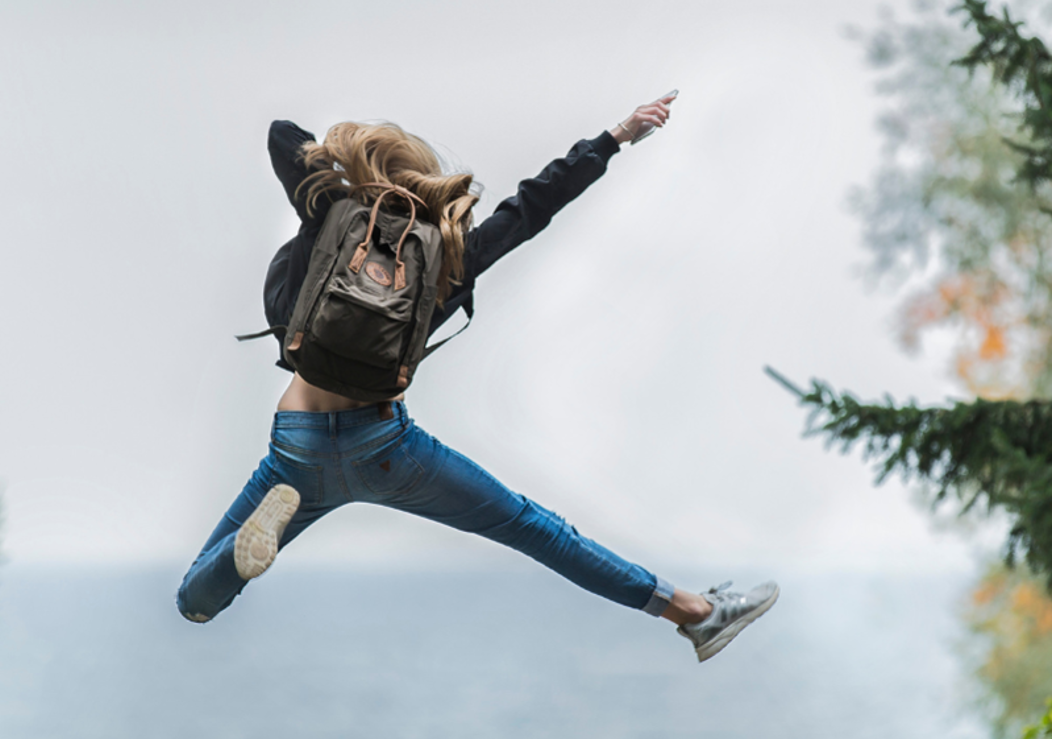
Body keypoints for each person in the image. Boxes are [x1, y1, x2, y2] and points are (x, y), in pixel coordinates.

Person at [174, 93, 777, 662]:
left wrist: (349, 171)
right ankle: (694, 613)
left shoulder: (329, 214)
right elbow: (532, 207)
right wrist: (615, 137)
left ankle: (241, 555)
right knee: (536, 530)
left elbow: (284, 136)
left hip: (297, 445)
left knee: (194, 601)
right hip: (385, 448)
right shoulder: (447, 255)